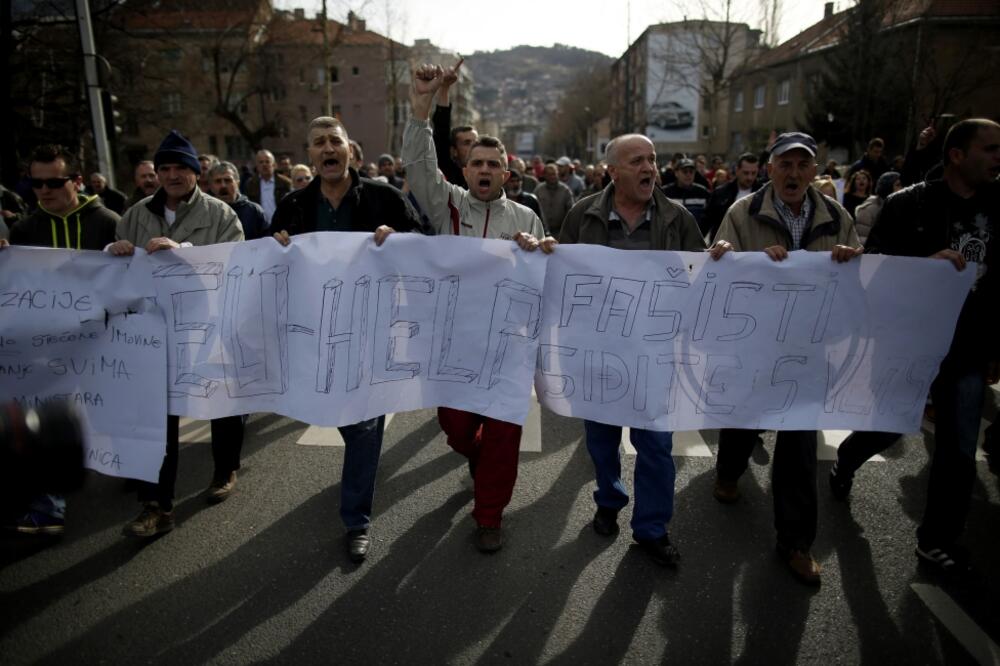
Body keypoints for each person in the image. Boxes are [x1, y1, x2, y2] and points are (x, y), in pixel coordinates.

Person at [829, 119, 999, 577]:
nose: (998, 157)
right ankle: (846, 458)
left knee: (960, 449)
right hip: (909, 341)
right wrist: (926, 266)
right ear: (957, 155)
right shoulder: (908, 204)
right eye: (990, 148)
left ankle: (936, 539)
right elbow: (877, 271)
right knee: (889, 428)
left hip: (967, 346)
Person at [403, 62, 553, 554]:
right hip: (455, 344)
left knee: (505, 435)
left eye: (494, 164)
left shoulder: (526, 215)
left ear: (506, 173)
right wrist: (423, 105)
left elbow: (545, 272)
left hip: (508, 347)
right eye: (477, 163)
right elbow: (420, 164)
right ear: (464, 171)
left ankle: (489, 516)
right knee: (458, 428)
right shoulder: (447, 205)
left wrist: (540, 249)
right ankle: (474, 453)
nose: (484, 169)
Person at [711, 131, 862, 585]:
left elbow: (858, 279)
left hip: (808, 348)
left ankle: (796, 542)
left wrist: (850, 259)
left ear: (815, 170)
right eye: (785, 164)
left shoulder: (837, 216)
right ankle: (729, 469)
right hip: (756, 342)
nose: (794, 173)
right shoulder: (743, 212)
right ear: (769, 168)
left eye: (803, 164)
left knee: (798, 443)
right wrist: (742, 259)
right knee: (744, 418)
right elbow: (721, 266)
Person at [270, 116, 423, 563]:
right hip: (316, 331)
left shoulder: (384, 197)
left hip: (373, 329)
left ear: (350, 150)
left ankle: (356, 519)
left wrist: (401, 240)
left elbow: (426, 246)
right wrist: (275, 243)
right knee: (341, 414)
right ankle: (363, 470)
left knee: (362, 423)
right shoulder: (294, 205)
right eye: (317, 143)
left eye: (333, 140)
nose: (327, 149)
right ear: (310, 156)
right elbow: (265, 258)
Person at [559, 133, 706, 567]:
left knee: (656, 445)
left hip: (653, 355)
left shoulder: (676, 218)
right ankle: (609, 498)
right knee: (602, 441)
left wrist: (719, 261)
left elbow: (698, 277)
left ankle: (652, 528)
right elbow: (562, 276)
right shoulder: (581, 214)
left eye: (652, 160)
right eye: (637, 161)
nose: (649, 169)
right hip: (598, 353)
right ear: (612, 171)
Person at [109, 130, 246, 539]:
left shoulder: (221, 215)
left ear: (195, 173)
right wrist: (114, 253)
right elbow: (120, 276)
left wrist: (184, 251)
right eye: (164, 168)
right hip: (154, 333)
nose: (171, 175)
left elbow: (234, 265)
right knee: (155, 417)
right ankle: (156, 506)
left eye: (180, 168)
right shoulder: (134, 215)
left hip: (207, 330)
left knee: (221, 405)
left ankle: (225, 469)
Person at [2, 144, 121, 534]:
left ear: (77, 181)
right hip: (44, 344)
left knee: (101, 415)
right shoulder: (24, 230)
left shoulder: (107, 221)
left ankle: (132, 469)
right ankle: (47, 505)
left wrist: (129, 251)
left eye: (54, 181)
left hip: (102, 341)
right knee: (44, 414)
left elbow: (132, 280)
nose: (44, 190)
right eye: (35, 183)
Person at [431, 58, 475, 189]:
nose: (474, 147)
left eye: (475, 142)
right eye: (467, 143)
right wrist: (444, 88)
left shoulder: (488, 174)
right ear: (454, 151)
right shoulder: (451, 173)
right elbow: (441, 128)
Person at [703, 152, 761, 241]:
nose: (750, 177)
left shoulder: (764, 193)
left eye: (754, 173)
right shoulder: (720, 193)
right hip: (723, 246)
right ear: (737, 171)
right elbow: (706, 222)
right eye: (746, 173)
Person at [209, 161, 270, 240]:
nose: (223, 185)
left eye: (228, 180)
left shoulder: (254, 211)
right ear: (211, 186)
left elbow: (268, 242)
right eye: (218, 181)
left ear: (237, 183)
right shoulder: (205, 212)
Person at [661, 157, 711, 236]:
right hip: (671, 238)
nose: (688, 175)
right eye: (685, 171)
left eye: (691, 172)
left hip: (695, 239)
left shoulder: (703, 193)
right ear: (676, 173)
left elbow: (708, 218)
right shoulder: (665, 192)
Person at [853, 170, 901, 244]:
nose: (902, 188)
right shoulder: (868, 210)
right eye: (898, 185)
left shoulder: (903, 207)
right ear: (887, 186)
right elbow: (861, 239)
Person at [245, 149, 292, 224]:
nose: (264, 165)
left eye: (267, 161)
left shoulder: (285, 183)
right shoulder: (251, 184)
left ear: (274, 165)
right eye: (261, 162)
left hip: (282, 224)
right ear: (257, 166)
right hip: (260, 226)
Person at [534, 162, 574, 237]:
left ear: (557, 174)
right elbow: (534, 210)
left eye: (554, 174)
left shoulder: (565, 190)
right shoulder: (538, 190)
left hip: (560, 232)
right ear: (544, 175)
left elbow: (571, 211)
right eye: (549, 174)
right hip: (541, 231)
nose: (552, 177)